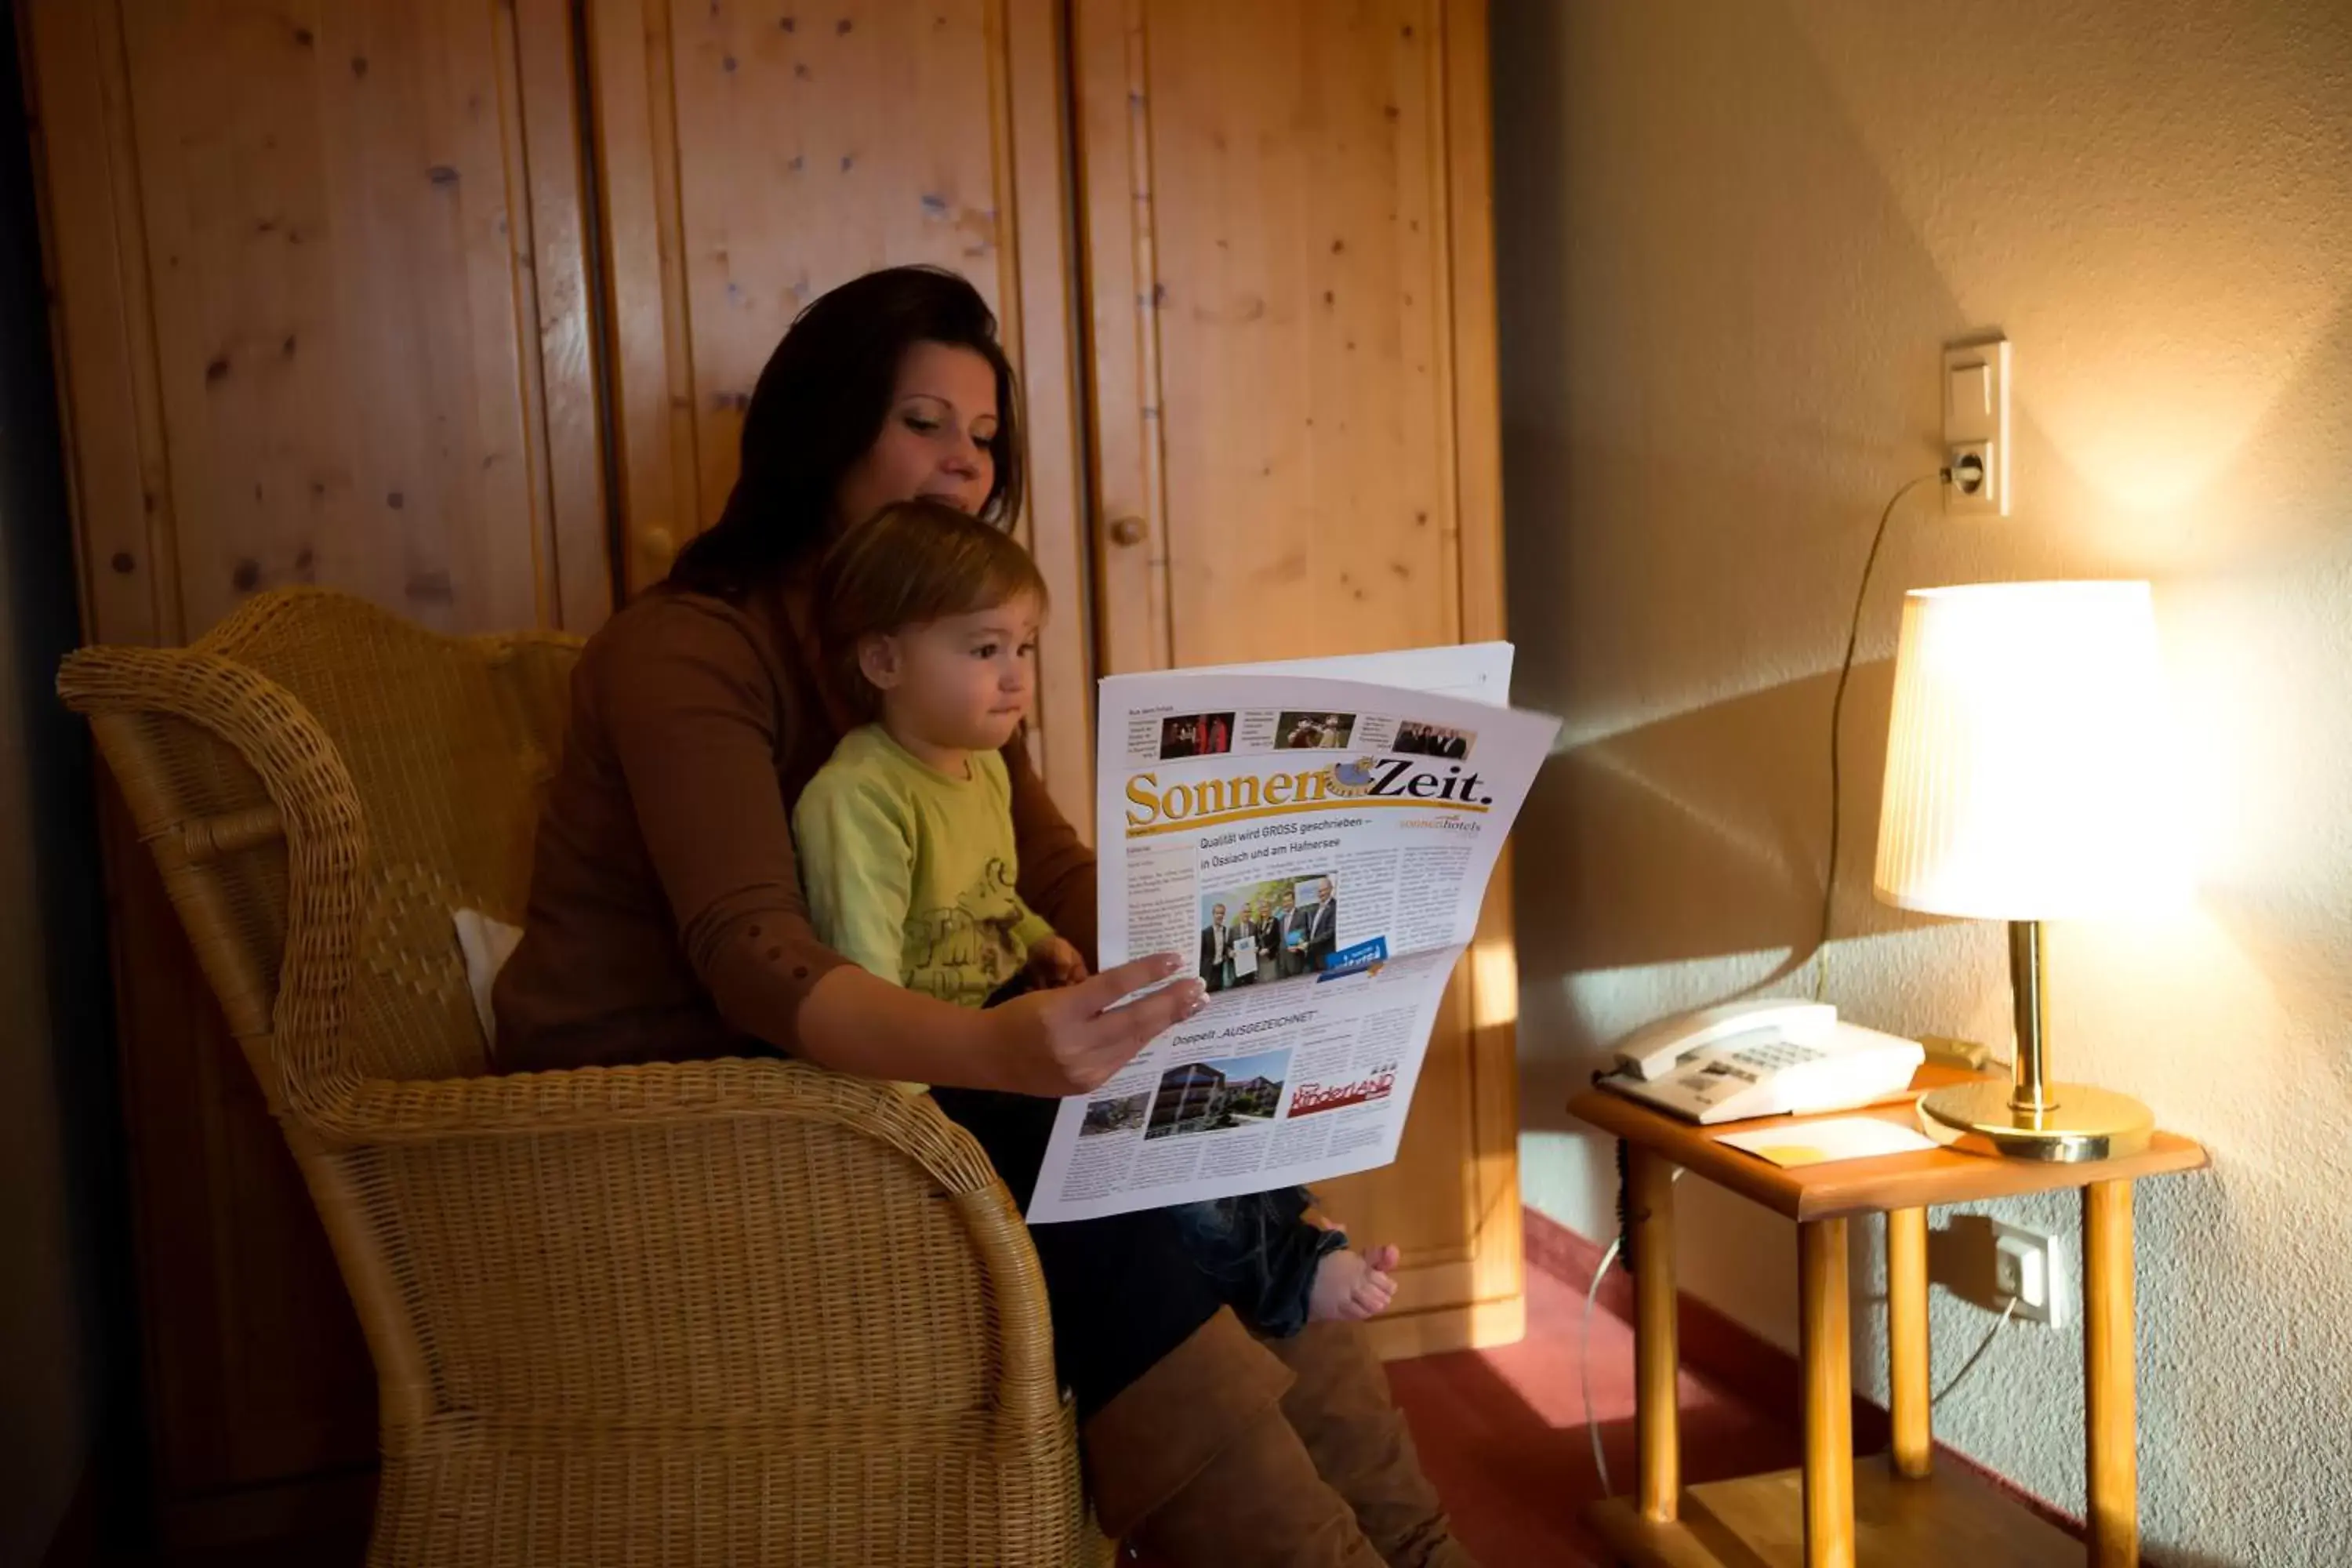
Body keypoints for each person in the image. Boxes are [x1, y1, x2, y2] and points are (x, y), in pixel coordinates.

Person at [490, 265, 1475, 1568]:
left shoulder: (941, 648)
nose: (964, 463)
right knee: (1103, 1183)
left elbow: (1050, 865)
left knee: (1203, 1130)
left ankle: (1423, 1552)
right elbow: (749, 953)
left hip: (880, 1062)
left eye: (986, 435)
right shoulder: (689, 649)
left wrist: (1218, 955)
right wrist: (1010, 1052)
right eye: (923, 423)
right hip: (684, 1097)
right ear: (825, 427)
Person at [793, 497, 1396, 1338]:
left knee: (1191, 1056)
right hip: (949, 1062)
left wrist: (1042, 941)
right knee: (1127, 1132)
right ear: (884, 659)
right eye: (983, 648)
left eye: (1023, 647)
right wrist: (920, 1126)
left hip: (1009, 1015)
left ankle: (1287, 1218)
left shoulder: (983, 768)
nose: (1016, 675)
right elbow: (866, 979)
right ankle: (1286, 1275)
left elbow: (992, 893)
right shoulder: (857, 796)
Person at [1304, 877, 1341, 971]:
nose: (1321, 894)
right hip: (1312, 956)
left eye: (1324, 890)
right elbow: (1312, 930)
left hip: (1326, 956)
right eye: (1319, 891)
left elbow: (1330, 932)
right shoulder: (1316, 908)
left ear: (1331, 889)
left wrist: (1309, 943)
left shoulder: (1335, 907)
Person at [1200, 902, 1235, 992]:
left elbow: (1225, 946)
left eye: (1222, 913)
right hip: (1208, 972)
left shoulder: (1224, 930)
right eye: (1217, 913)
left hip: (1219, 970)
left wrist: (1229, 951)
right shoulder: (1205, 933)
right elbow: (1201, 954)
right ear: (1213, 914)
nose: (1220, 916)